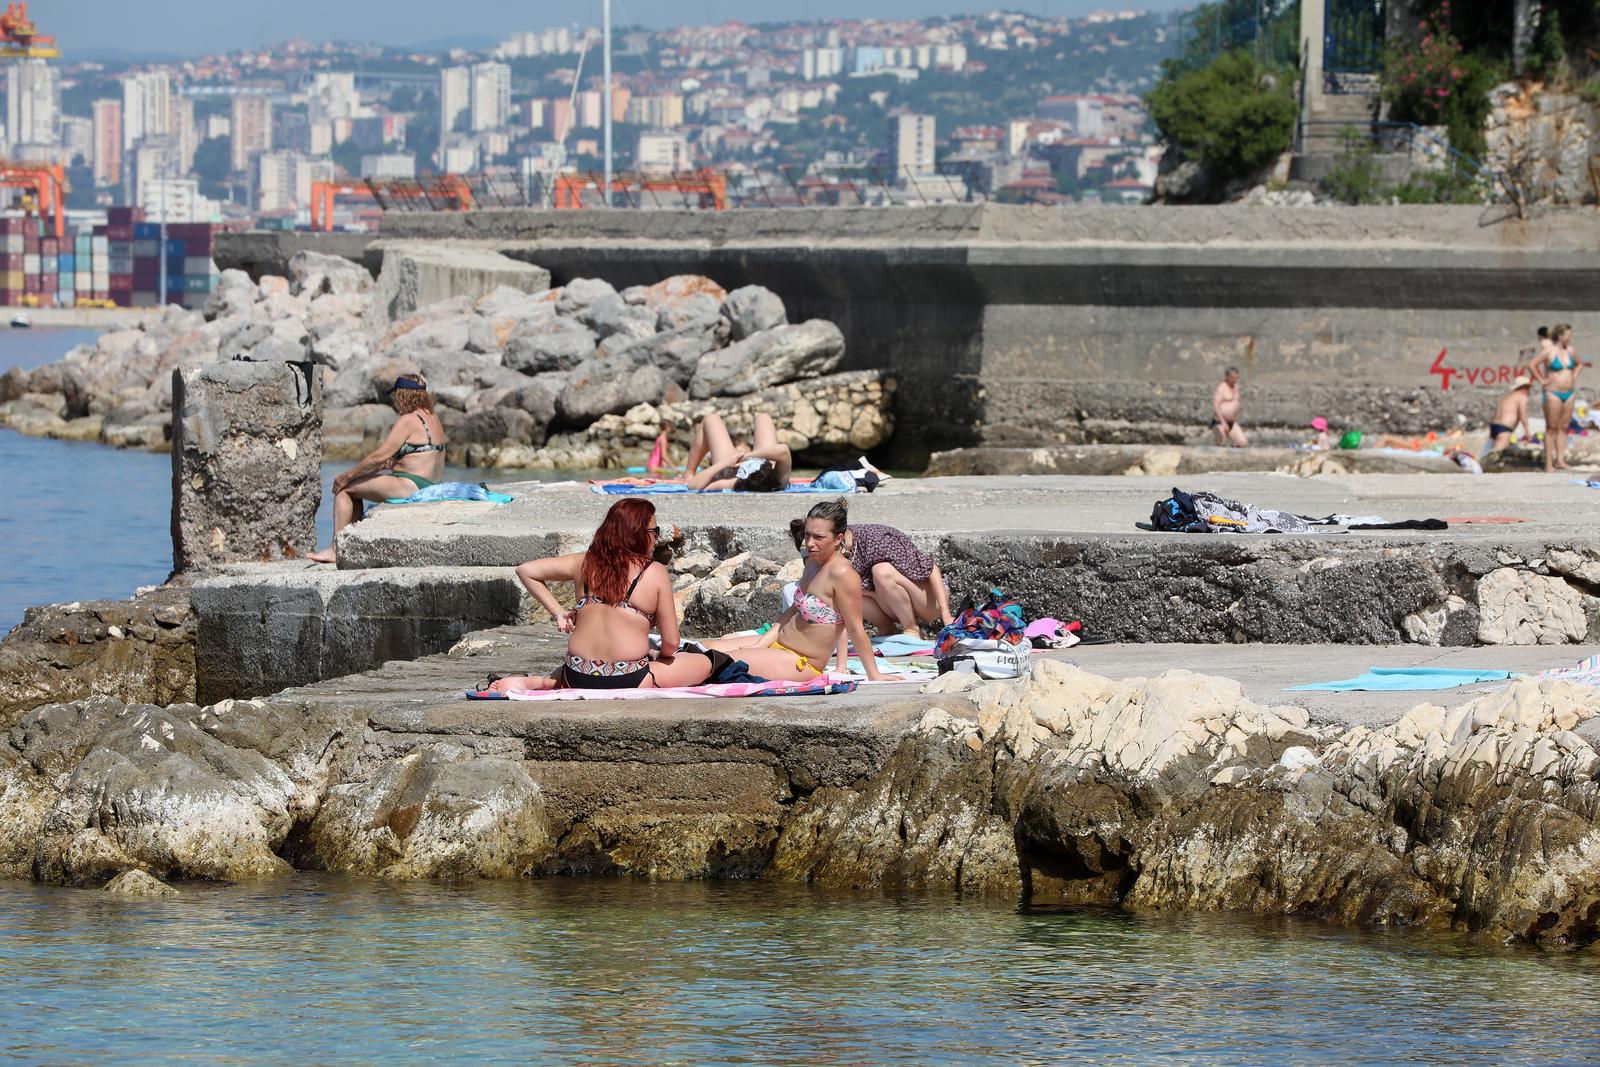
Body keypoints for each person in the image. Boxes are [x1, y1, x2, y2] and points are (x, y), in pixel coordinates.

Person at [487, 499, 711, 691]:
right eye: (655, 532)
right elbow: (671, 643)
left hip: (576, 675)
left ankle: (542, 682)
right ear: (638, 535)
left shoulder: (583, 562)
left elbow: (525, 570)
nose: (656, 538)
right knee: (704, 663)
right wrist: (655, 655)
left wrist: (558, 613)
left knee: (576, 666)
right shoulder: (654, 572)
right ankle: (545, 682)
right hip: (630, 678)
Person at [703, 499, 899, 682]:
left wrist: (873, 674)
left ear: (839, 538)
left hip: (801, 662)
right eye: (807, 534)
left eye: (819, 537)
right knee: (704, 647)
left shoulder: (843, 574)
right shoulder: (813, 563)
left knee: (713, 661)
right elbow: (792, 611)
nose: (809, 543)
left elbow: (855, 628)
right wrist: (761, 643)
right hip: (778, 644)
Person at [308, 374, 446, 563]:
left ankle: (335, 550)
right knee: (358, 487)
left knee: (345, 488)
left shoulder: (409, 419)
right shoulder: (433, 418)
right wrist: (392, 464)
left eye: (396, 397)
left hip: (410, 486)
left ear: (402, 395)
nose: (395, 403)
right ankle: (350, 545)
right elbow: (420, 455)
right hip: (430, 484)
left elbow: (378, 456)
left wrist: (347, 475)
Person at [796, 520, 951, 636]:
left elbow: (931, 569)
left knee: (881, 571)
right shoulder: (831, 563)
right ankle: (887, 628)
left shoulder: (876, 539)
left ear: (837, 539)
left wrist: (946, 614)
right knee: (844, 591)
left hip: (928, 601)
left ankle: (911, 628)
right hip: (890, 602)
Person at [683, 412, 791, 491]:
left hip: (730, 466)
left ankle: (688, 472)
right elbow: (783, 450)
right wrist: (745, 457)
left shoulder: (733, 482)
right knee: (764, 417)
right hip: (747, 461)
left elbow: (692, 485)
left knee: (711, 419)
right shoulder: (777, 479)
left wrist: (726, 463)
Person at [1532, 323, 1580, 471]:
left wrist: (1573, 377)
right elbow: (1532, 364)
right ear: (1560, 336)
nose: (1570, 338)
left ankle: (1560, 460)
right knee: (1551, 427)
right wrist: (1542, 380)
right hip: (1553, 392)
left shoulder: (1571, 351)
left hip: (1569, 393)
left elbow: (1579, 364)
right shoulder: (1549, 351)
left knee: (1564, 427)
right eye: (1568, 335)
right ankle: (1549, 463)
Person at [1486, 373, 1532, 453]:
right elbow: (1523, 413)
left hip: (1494, 425)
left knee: (1490, 452)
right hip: (1504, 427)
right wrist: (1527, 431)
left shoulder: (1508, 397)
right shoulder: (1522, 396)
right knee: (1497, 454)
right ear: (1525, 387)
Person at [1212, 367, 1247, 447]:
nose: (1235, 380)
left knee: (1242, 442)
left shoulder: (1236, 387)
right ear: (1227, 377)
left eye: (1236, 378)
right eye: (1233, 378)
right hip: (1220, 422)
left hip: (1231, 422)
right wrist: (1223, 422)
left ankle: (1233, 449)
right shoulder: (1221, 388)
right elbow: (1216, 406)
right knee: (1221, 438)